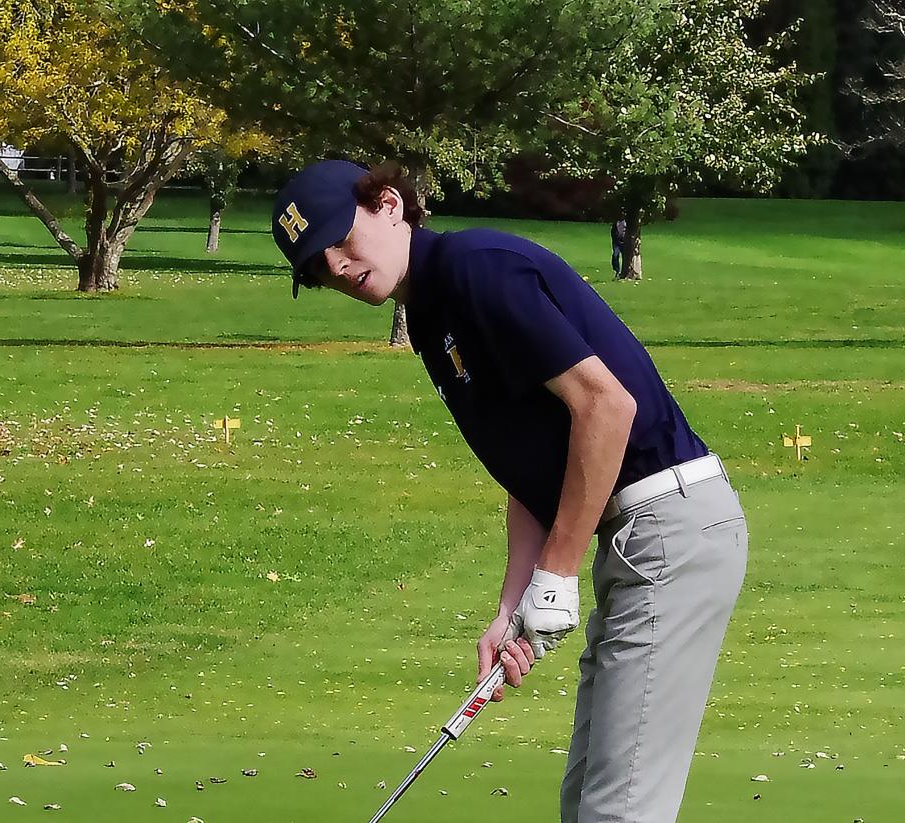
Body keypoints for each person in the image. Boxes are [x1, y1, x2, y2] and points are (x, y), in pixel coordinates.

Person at [271, 160, 748, 823]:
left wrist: (557, 573)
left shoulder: (475, 269)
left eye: (340, 241)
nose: (338, 269)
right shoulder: (436, 319)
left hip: (670, 526)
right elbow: (534, 468)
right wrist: (515, 601)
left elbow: (608, 409)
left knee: (619, 811)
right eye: (317, 268)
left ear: (388, 206)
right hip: (642, 537)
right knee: (587, 803)